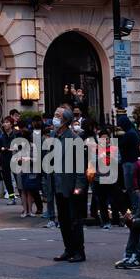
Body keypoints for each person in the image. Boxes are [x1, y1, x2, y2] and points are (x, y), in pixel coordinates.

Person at [49, 108, 86, 263]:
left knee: (74, 220)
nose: (54, 118)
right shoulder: (53, 136)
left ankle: (79, 251)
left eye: (58, 116)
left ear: (65, 120)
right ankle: (68, 249)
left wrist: (79, 186)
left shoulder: (74, 139)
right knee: (63, 220)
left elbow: (80, 167)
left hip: (70, 185)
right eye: (55, 114)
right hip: (57, 184)